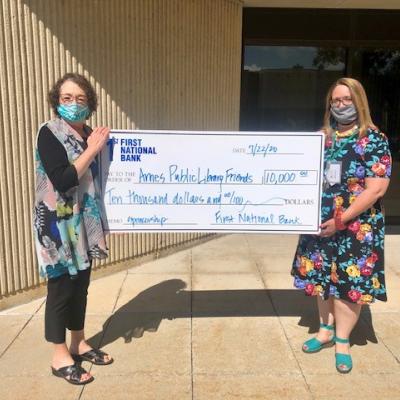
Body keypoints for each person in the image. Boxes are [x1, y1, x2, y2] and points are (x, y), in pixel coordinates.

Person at [292, 77, 391, 373]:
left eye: (346, 99)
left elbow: (376, 189)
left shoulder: (374, 139)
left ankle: (342, 340)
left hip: (356, 227)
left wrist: (342, 219)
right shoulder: (322, 137)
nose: (341, 105)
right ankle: (324, 330)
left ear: (359, 102)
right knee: (322, 278)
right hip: (320, 222)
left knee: (349, 284)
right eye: (335, 100)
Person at [33, 73, 113, 384]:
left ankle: (79, 341)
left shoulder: (91, 134)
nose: (73, 104)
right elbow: (64, 179)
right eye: (67, 98)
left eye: (80, 99)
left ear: (90, 103)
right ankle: (59, 355)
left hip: (86, 223)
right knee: (61, 288)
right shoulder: (50, 133)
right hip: (58, 226)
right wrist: (92, 149)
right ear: (57, 101)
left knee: (81, 284)